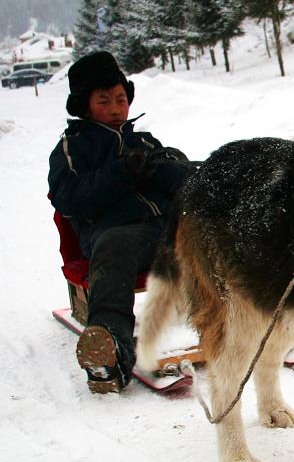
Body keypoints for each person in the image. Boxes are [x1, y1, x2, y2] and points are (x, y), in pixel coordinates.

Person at [48, 51, 193, 393]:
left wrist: (163, 169)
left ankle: (267, 313)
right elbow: (68, 196)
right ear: (84, 105)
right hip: (118, 236)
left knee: (221, 230)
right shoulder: (73, 147)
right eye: (104, 101)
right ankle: (109, 349)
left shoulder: (143, 140)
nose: (116, 108)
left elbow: (188, 180)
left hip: (169, 230)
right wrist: (122, 173)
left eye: (121, 99)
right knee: (116, 246)